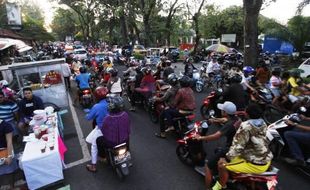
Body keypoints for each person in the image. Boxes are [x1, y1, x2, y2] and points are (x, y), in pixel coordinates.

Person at [212, 103, 273, 190]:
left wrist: (226, 157)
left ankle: (219, 187)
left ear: (247, 114)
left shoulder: (245, 126)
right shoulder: (263, 123)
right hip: (266, 158)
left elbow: (238, 147)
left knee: (221, 165)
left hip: (255, 163)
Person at [194, 101, 241, 189]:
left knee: (208, 166)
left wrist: (201, 138)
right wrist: (214, 120)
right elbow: (225, 119)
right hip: (238, 146)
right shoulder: (237, 119)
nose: (221, 111)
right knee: (218, 151)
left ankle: (208, 188)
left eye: (223, 110)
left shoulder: (229, 125)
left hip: (230, 149)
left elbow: (216, 136)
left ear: (225, 112)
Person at [86, 97, 130, 172]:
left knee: (98, 140)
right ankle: (127, 150)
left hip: (111, 143)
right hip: (124, 140)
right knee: (127, 137)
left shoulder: (108, 118)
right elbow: (128, 129)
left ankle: (102, 158)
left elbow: (104, 130)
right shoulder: (125, 115)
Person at [0, 119, 19, 189]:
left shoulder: (5, 125)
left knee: (9, 171)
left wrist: (9, 155)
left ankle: (12, 187)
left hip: (5, 151)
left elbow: (9, 142)